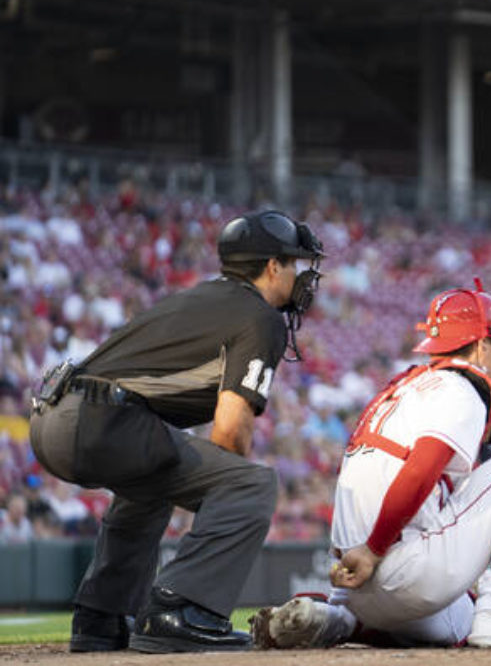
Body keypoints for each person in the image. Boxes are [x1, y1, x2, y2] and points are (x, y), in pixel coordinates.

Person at [27, 210, 324, 653]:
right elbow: (229, 431)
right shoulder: (260, 317)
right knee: (252, 484)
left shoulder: (203, 296)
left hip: (53, 418)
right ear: (272, 266)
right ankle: (182, 610)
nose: (300, 277)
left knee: (153, 478)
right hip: (100, 422)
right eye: (294, 264)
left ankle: (101, 618)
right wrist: (224, 494)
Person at [251, 286, 491, 649]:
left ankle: (338, 619)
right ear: (480, 345)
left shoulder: (403, 389)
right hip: (390, 563)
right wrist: (375, 548)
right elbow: (421, 470)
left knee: (459, 626)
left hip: (353, 583)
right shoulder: (461, 389)